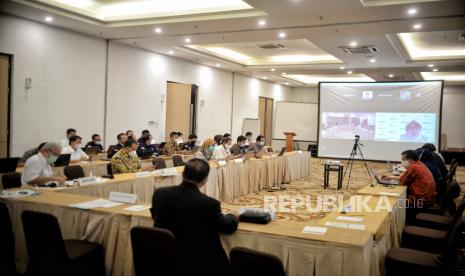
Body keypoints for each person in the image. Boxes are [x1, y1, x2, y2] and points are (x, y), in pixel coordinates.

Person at [150, 159, 238, 276]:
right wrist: (233, 215)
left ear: (182, 174)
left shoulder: (160, 193)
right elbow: (227, 227)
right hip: (200, 262)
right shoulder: (209, 203)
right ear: (205, 180)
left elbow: (154, 215)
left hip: (164, 258)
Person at [385, 150, 436, 223]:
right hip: (429, 197)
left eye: (403, 160)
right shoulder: (420, 164)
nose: (401, 162)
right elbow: (405, 178)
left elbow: (401, 182)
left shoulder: (413, 167)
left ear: (410, 160)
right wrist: (391, 177)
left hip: (421, 200)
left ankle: (401, 223)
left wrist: (391, 178)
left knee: (393, 202)